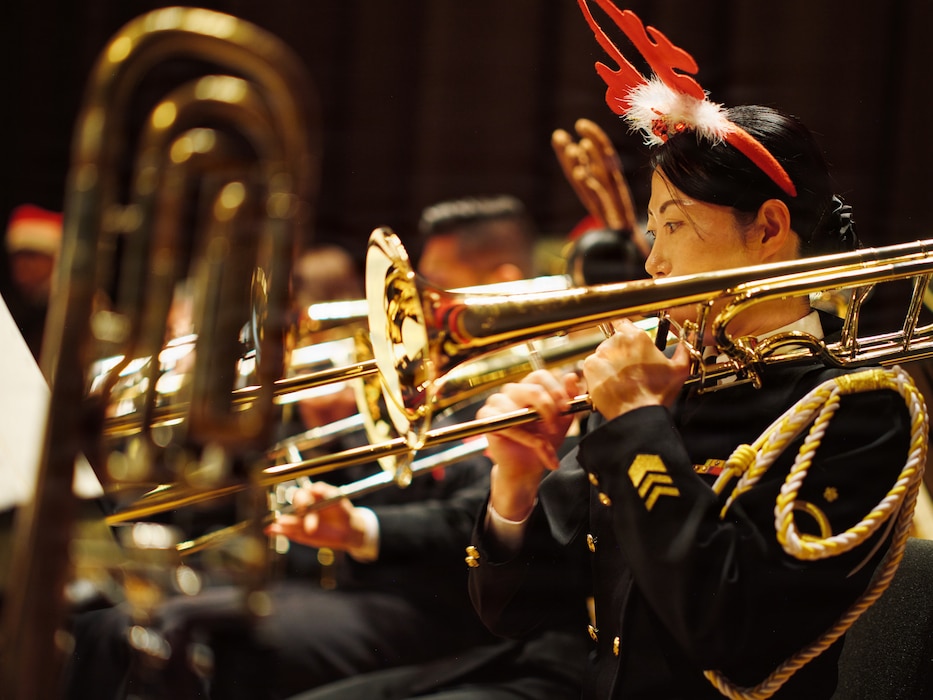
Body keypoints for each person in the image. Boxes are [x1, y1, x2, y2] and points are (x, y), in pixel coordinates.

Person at [466, 4, 917, 700]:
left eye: (672, 226)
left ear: (768, 227)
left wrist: (638, 423)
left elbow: (733, 639)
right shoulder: (666, 383)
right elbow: (519, 612)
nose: (652, 263)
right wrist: (514, 487)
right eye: (651, 229)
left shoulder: (863, 411)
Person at [64, 205, 587, 700]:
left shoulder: (540, 385)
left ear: (499, 283)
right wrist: (330, 426)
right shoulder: (428, 374)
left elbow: (468, 509)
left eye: (438, 284)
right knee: (111, 623)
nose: (421, 307)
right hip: (351, 583)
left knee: (194, 636)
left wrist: (362, 524)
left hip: (445, 606)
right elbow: (386, 472)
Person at [3, 203, 63, 360]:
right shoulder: (19, 304)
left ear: (54, 258)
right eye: (17, 257)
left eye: (31, 256)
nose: (21, 266)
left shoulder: (74, 308)